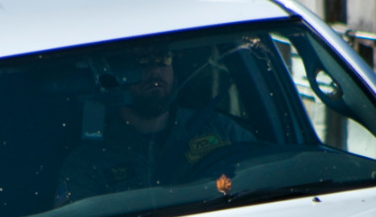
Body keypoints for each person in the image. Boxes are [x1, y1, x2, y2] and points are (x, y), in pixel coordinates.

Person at [54, 47, 255, 207]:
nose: (154, 70)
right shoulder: (90, 161)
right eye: (140, 62)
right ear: (115, 76)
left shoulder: (221, 131)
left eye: (163, 58)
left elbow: (265, 171)